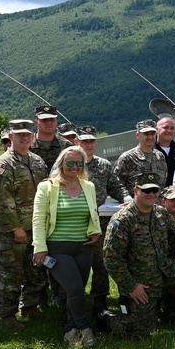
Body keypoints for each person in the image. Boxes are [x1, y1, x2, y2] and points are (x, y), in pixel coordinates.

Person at [102, 174, 175, 337]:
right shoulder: (122, 220)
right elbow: (111, 259)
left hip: (165, 271)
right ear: (135, 191)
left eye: (155, 190)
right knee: (138, 333)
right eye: (147, 190)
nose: (152, 194)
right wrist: (131, 287)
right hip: (141, 283)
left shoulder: (161, 213)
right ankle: (106, 319)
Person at [32, 146, 102, 347]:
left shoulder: (88, 186)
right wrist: (39, 246)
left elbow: (92, 213)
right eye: (69, 162)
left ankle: (70, 330)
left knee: (77, 291)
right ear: (61, 163)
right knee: (74, 287)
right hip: (58, 247)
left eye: (79, 163)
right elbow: (38, 219)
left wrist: (96, 231)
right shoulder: (47, 187)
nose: (74, 167)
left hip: (84, 246)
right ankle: (85, 329)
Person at [0, 119, 50, 330]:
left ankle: (30, 306)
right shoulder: (3, 164)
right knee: (11, 275)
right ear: (11, 137)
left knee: (35, 271)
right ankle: (7, 316)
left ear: (32, 136)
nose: (24, 138)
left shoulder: (37, 161)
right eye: (19, 135)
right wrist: (16, 228)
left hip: (35, 228)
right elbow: (1, 200)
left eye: (27, 135)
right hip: (11, 231)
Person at [78, 125, 127, 317]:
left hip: (99, 222)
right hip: (75, 221)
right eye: (84, 141)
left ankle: (100, 300)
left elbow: (116, 187)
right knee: (76, 264)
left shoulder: (104, 165)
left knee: (101, 263)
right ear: (77, 142)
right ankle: (71, 299)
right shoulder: (68, 163)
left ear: (95, 143)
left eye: (91, 141)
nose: (88, 145)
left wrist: (128, 200)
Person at [113, 120, 168, 194]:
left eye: (153, 133)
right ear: (138, 135)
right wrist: (127, 198)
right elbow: (116, 184)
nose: (150, 137)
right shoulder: (128, 157)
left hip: (156, 203)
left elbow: (162, 183)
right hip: (136, 203)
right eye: (146, 134)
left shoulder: (160, 156)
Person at [31, 105, 73, 171]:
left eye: (52, 120)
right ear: (36, 122)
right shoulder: (28, 145)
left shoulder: (67, 146)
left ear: (56, 122)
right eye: (44, 120)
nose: (49, 123)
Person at [154, 116, 175, 184]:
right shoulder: (150, 149)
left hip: (174, 192)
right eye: (165, 127)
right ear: (157, 130)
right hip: (154, 193)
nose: (169, 131)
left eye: (172, 128)